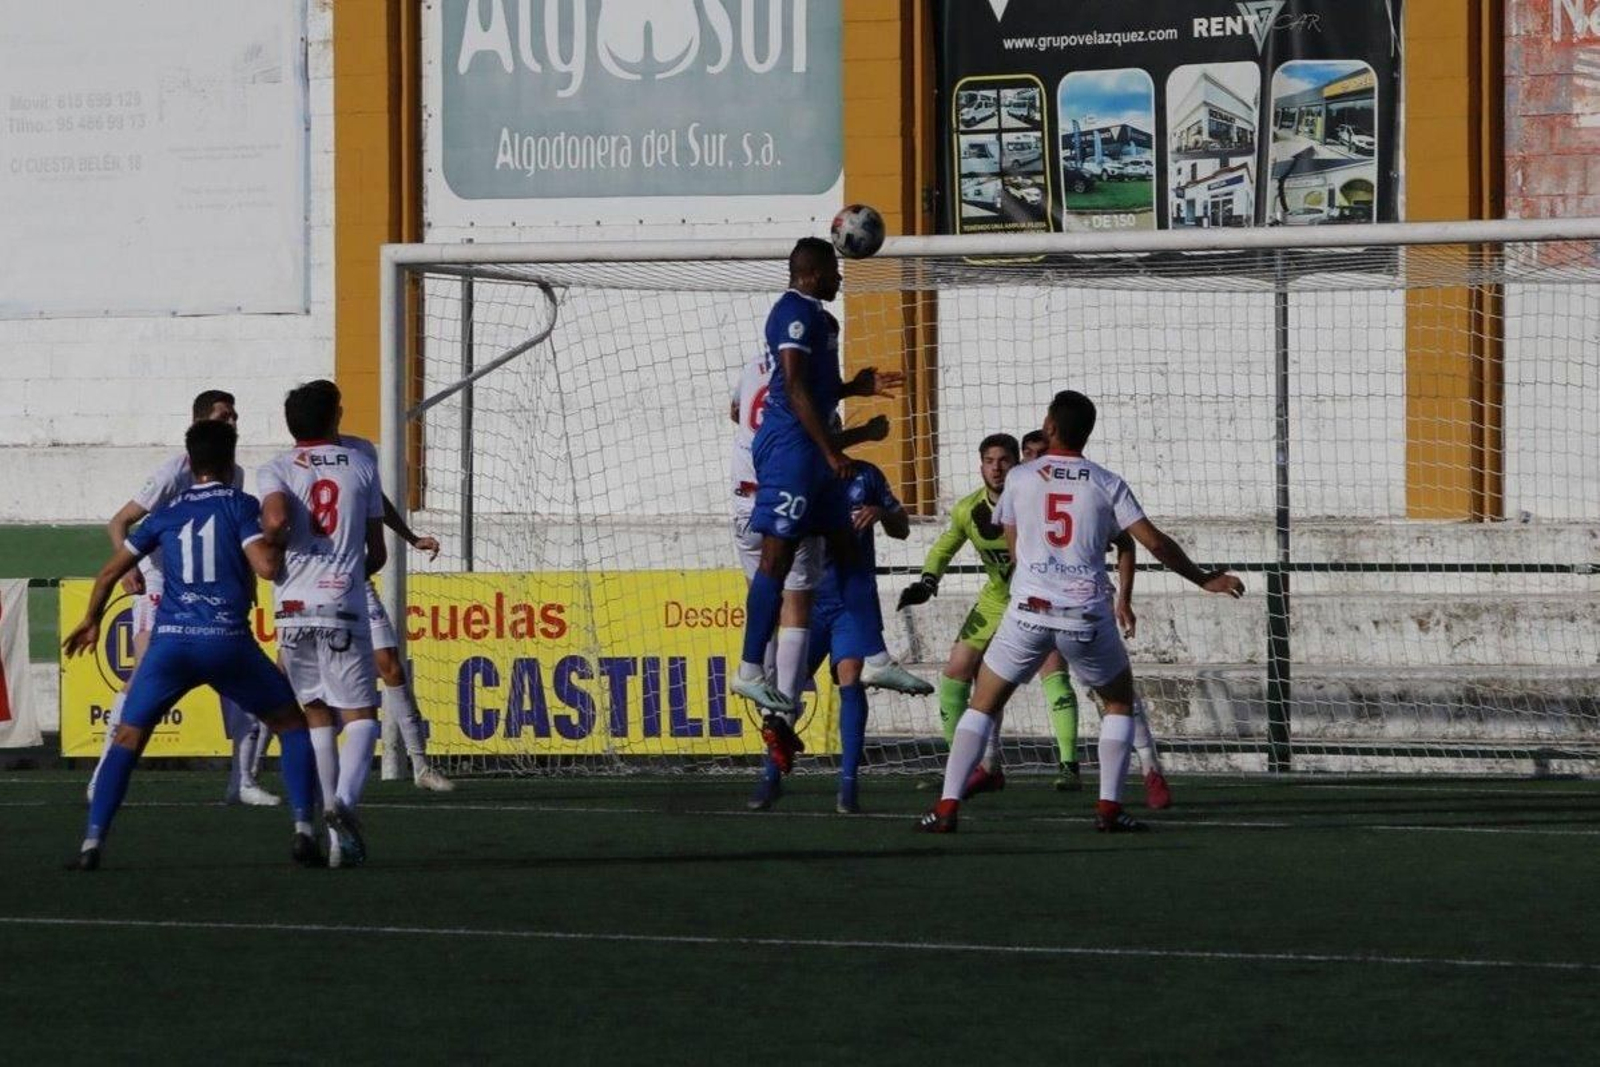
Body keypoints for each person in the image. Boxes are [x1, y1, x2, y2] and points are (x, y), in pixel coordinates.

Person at [918, 391, 1243, 834]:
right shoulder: (1106, 481)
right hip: (1085, 614)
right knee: (1117, 703)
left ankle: (946, 807)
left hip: (1028, 611)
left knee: (983, 703)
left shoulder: (1021, 478)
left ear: (1050, 426)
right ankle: (1109, 808)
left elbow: (1012, 544)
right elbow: (1153, 542)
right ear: (1086, 432)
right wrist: (1204, 578)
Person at [62, 420, 328, 870]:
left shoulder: (165, 514)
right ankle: (304, 827)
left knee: (128, 737)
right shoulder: (242, 505)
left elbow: (109, 572)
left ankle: (92, 843)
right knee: (291, 725)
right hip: (226, 641)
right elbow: (264, 567)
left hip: (172, 645)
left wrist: (90, 619)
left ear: (190, 461)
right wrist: (280, 540)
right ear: (231, 458)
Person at [731, 238, 921, 773]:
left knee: (848, 542)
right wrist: (830, 449)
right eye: (834, 270)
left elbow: (811, 387)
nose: (841, 277)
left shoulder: (817, 318)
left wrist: (850, 387)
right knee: (777, 560)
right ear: (812, 274)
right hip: (791, 456)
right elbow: (792, 388)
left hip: (807, 453)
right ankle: (749, 670)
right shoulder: (792, 312)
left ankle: (878, 657)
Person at [91, 389, 279, 808]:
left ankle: (242, 780)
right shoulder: (173, 471)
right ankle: (103, 774)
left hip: (211, 592)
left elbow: (234, 538)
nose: (233, 423)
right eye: (224, 416)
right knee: (141, 677)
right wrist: (131, 569)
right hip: (161, 586)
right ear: (199, 424)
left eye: (234, 416)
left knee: (238, 680)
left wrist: (246, 585)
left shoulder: (237, 474)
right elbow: (120, 521)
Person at [748, 459, 927, 814]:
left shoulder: (868, 475)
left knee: (851, 679)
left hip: (851, 603)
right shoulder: (800, 474)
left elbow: (902, 528)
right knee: (786, 689)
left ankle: (848, 787)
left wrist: (880, 513)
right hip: (807, 603)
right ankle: (770, 777)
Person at [258, 380, 386, 866]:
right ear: (335, 415)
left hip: (291, 606)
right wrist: (345, 570)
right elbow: (376, 552)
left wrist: (281, 546)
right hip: (341, 604)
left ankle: (339, 847)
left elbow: (272, 520)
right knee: (361, 717)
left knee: (316, 714)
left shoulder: (275, 467)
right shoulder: (361, 463)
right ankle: (344, 806)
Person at [729, 354, 890, 716]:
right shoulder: (810, 377)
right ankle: (785, 708)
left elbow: (735, 411)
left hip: (744, 498)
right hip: (788, 497)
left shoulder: (751, 368)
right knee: (796, 605)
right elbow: (824, 443)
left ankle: (763, 697)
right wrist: (866, 432)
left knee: (762, 602)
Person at [1024, 431, 1172, 805]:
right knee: (983, 683)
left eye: (1042, 453)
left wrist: (1124, 599)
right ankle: (995, 766)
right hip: (1029, 607)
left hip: (1082, 607)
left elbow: (1126, 541)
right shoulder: (1019, 492)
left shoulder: (1083, 494)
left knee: (1115, 695)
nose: (1039, 461)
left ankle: (1149, 767)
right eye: (1030, 455)